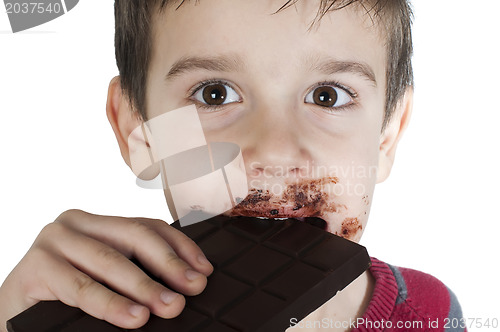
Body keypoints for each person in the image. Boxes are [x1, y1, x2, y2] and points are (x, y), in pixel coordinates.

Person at [0, 0, 466, 331]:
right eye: (214, 93)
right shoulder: (96, 316)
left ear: (386, 137)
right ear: (138, 131)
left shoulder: (433, 312)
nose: (275, 152)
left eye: (328, 96)